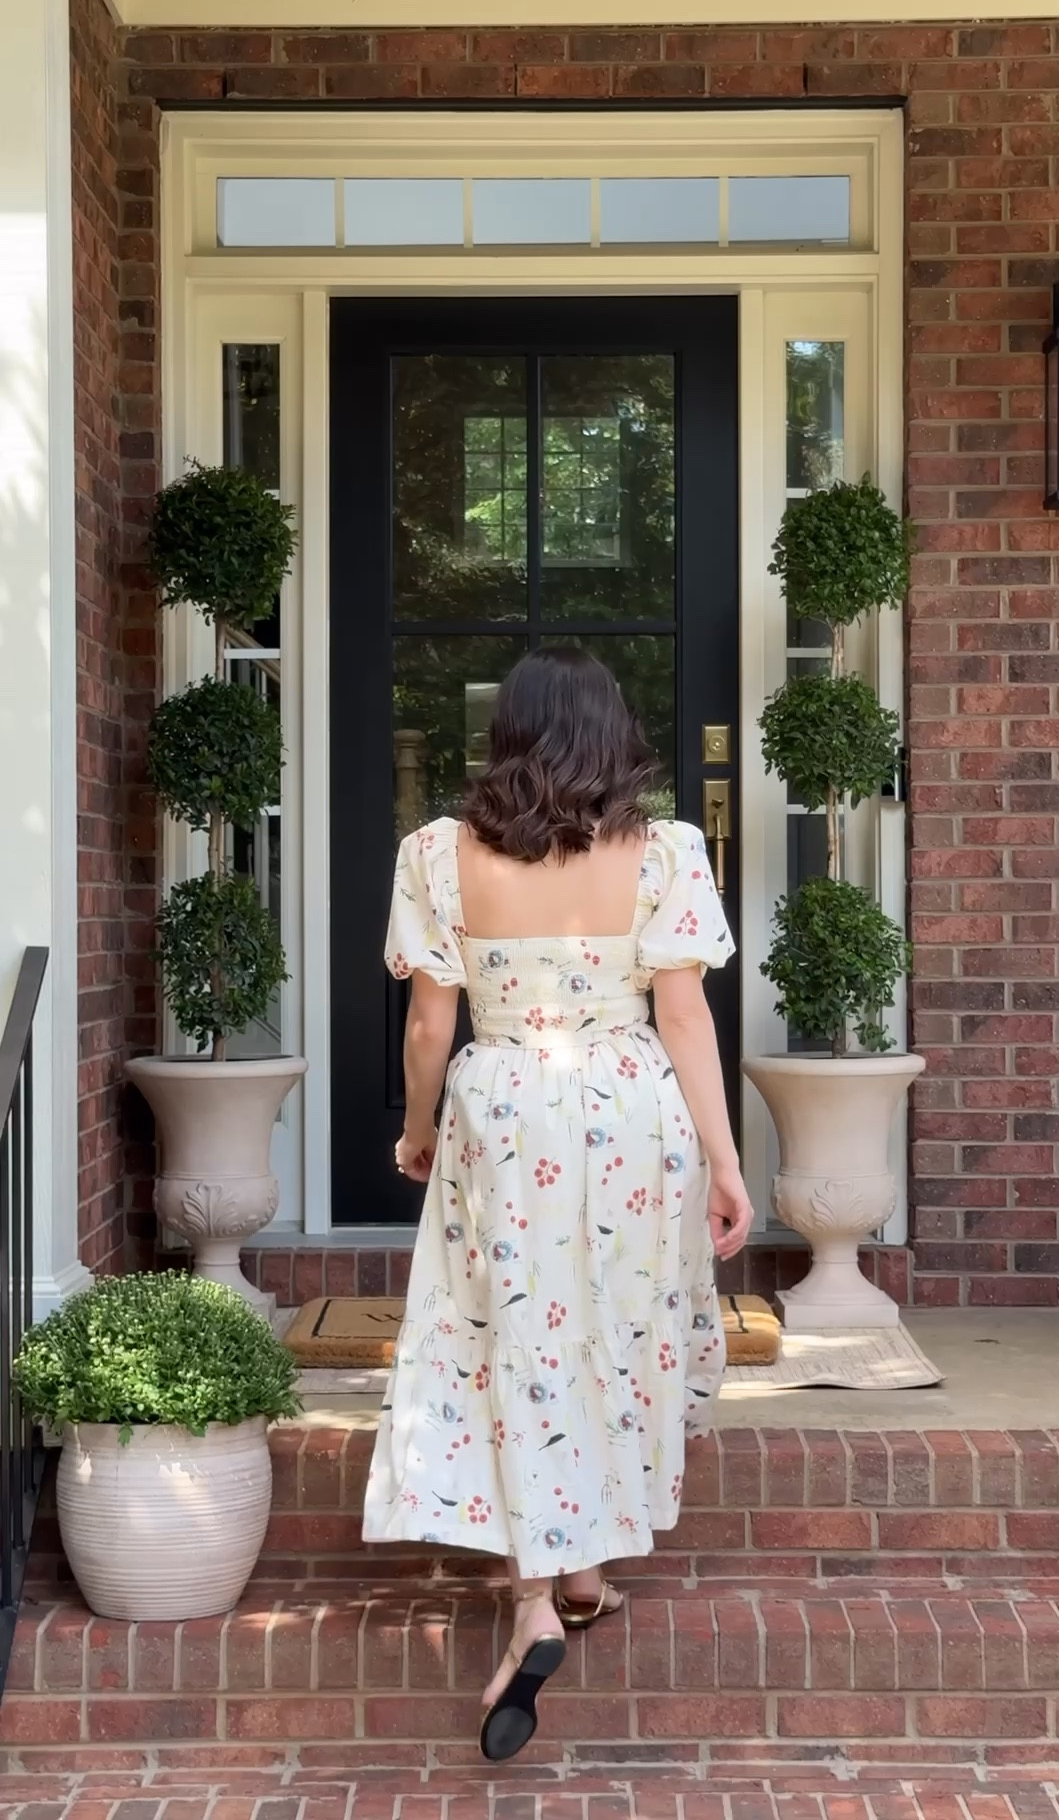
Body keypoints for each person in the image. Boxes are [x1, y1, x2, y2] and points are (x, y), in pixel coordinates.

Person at [363, 646, 752, 1761]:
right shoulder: (664, 851)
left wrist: (420, 1127)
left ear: (508, 734)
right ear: (610, 735)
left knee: (516, 1339)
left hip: (503, 1104)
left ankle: (545, 1590)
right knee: (607, 1330)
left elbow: (431, 1027)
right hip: (629, 1106)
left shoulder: (439, 855)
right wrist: (725, 1162)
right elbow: (685, 1019)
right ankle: (576, 1569)